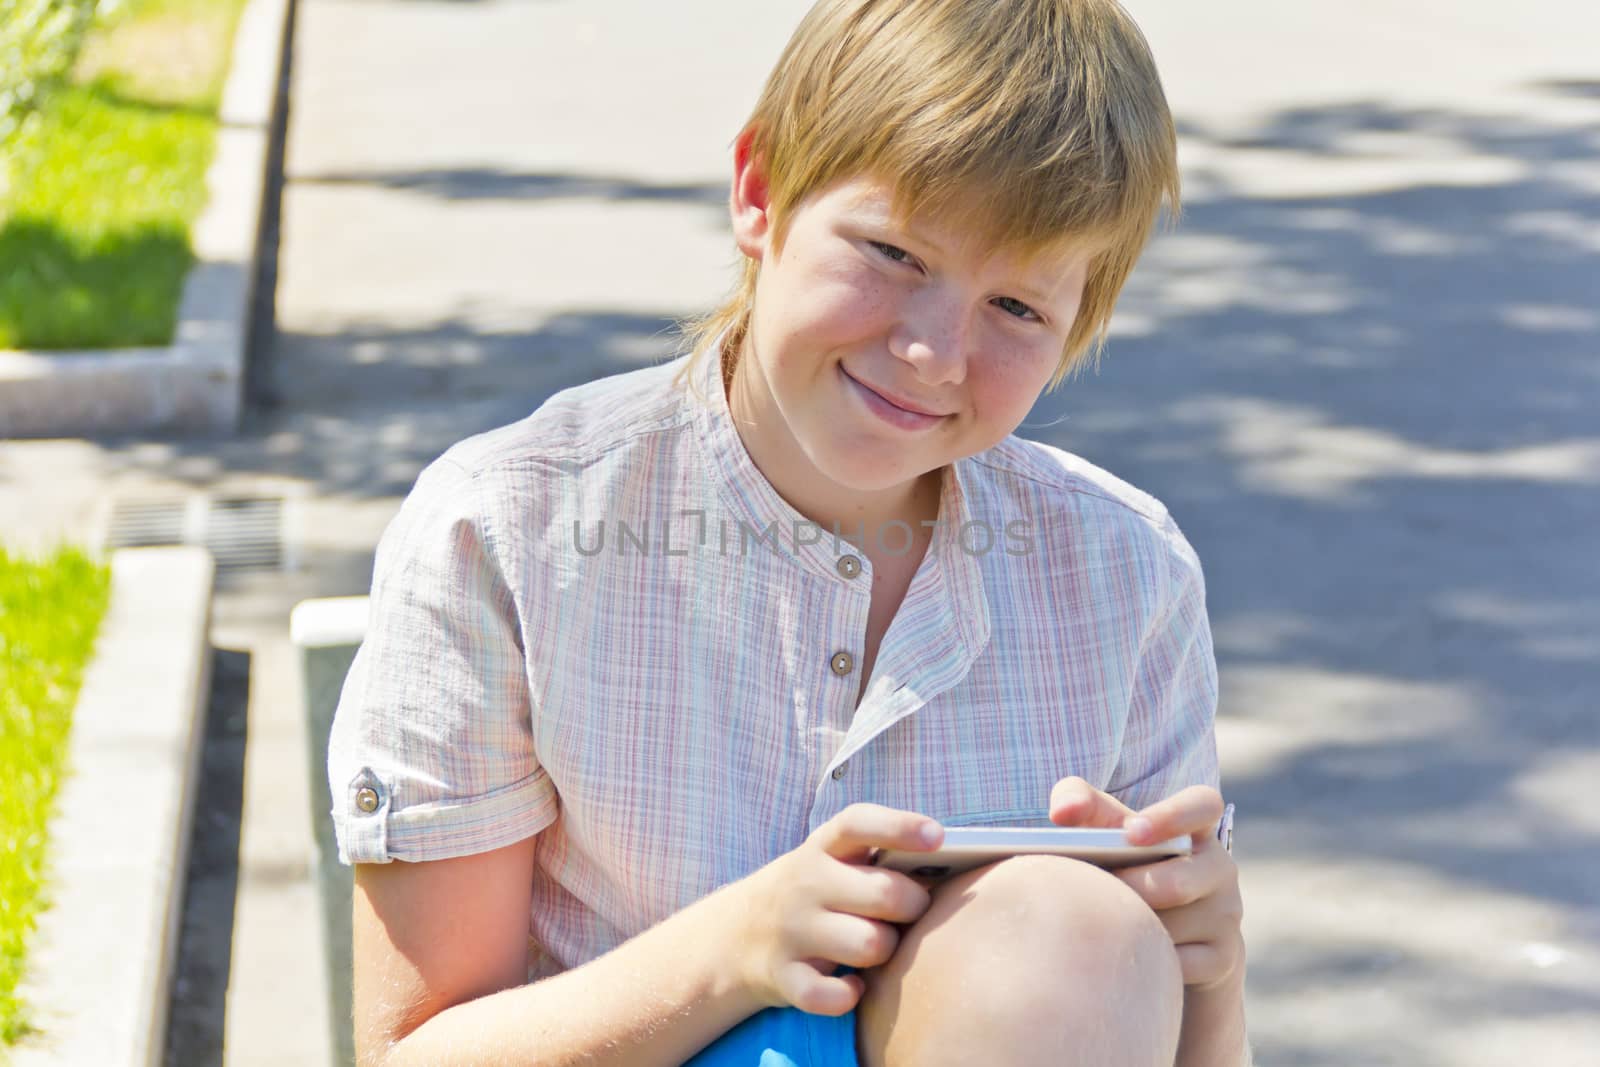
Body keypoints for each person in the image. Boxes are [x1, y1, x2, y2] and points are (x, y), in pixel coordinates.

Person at [326, 0, 1249, 1063]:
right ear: (760, 194)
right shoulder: (511, 530)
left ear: (1077, 325)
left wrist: (1207, 973)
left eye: (1016, 309)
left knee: (1069, 932)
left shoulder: (1125, 574)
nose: (934, 353)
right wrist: (734, 947)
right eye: (895, 251)